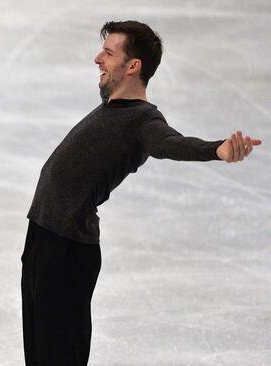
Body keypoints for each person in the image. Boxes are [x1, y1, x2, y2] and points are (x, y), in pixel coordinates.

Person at [21, 20, 261, 366]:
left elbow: (171, 144)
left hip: (66, 252)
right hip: (43, 240)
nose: (97, 59)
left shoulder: (143, 122)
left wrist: (217, 149)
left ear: (134, 66)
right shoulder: (112, 109)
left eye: (108, 53)